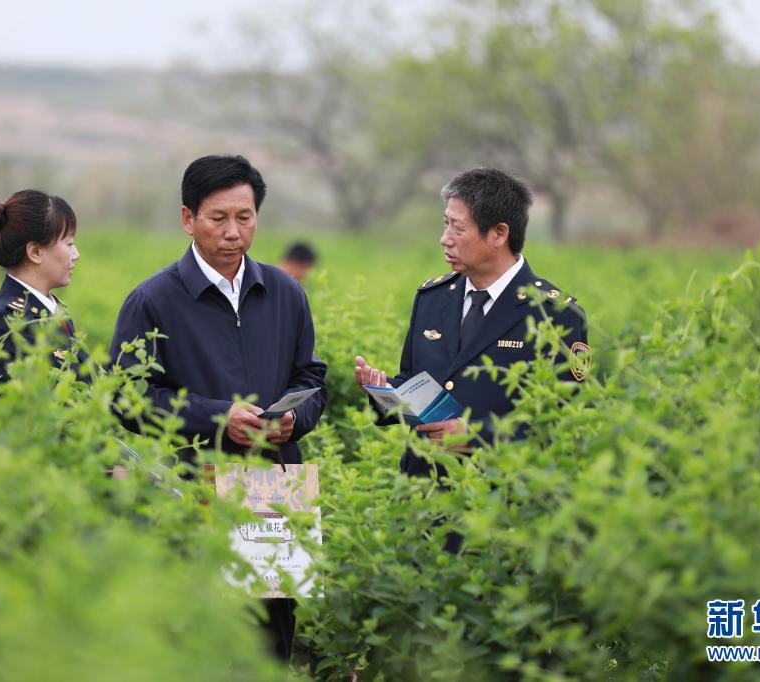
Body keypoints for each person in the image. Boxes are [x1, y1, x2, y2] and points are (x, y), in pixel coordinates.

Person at [109, 154, 327, 662]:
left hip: (273, 490)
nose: (233, 232)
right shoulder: (152, 301)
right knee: (196, 638)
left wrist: (298, 418)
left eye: (245, 217)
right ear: (188, 218)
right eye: (218, 218)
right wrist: (216, 417)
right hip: (192, 486)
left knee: (271, 638)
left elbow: (312, 379)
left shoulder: (285, 293)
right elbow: (127, 397)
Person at [354, 167, 589, 479]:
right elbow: (415, 383)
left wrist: (479, 436)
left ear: (499, 234)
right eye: (445, 225)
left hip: (501, 497)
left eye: (458, 229)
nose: (444, 239)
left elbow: (566, 418)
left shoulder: (555, 314)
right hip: (425, 491)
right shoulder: (432, 298)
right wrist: (385, 393)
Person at [0, 189, 87, 383]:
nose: (76, 254)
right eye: (68, 244)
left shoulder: (51, 308)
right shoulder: (6, 320)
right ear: (35, 252)